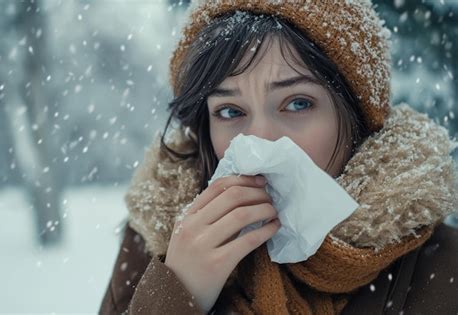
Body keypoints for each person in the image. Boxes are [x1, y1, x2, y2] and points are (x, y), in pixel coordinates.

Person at [99, 1, 458, 314]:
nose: (259, 140)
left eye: (298, 103)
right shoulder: (155, 245)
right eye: (229, 111)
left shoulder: (441, 265)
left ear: (357, 119)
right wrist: (178, 292)